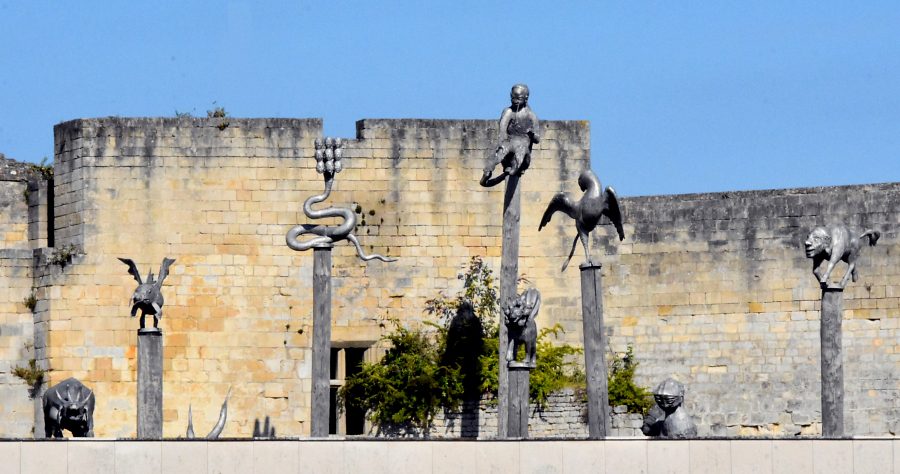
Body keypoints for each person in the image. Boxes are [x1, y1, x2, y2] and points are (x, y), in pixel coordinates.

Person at [480, 84, 541, 186]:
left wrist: (531, 133)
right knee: (501, 150)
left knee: (521, 149)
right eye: (513, 97)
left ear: (526, 98)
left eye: (519, 98)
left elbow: (537, 139)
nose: (515, 100)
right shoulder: (509, 112)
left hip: (523, 145)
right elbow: (502, 129)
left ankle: (516, 167)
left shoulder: (531, 116)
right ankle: (488, 170)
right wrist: (501, 142)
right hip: (509, 142)